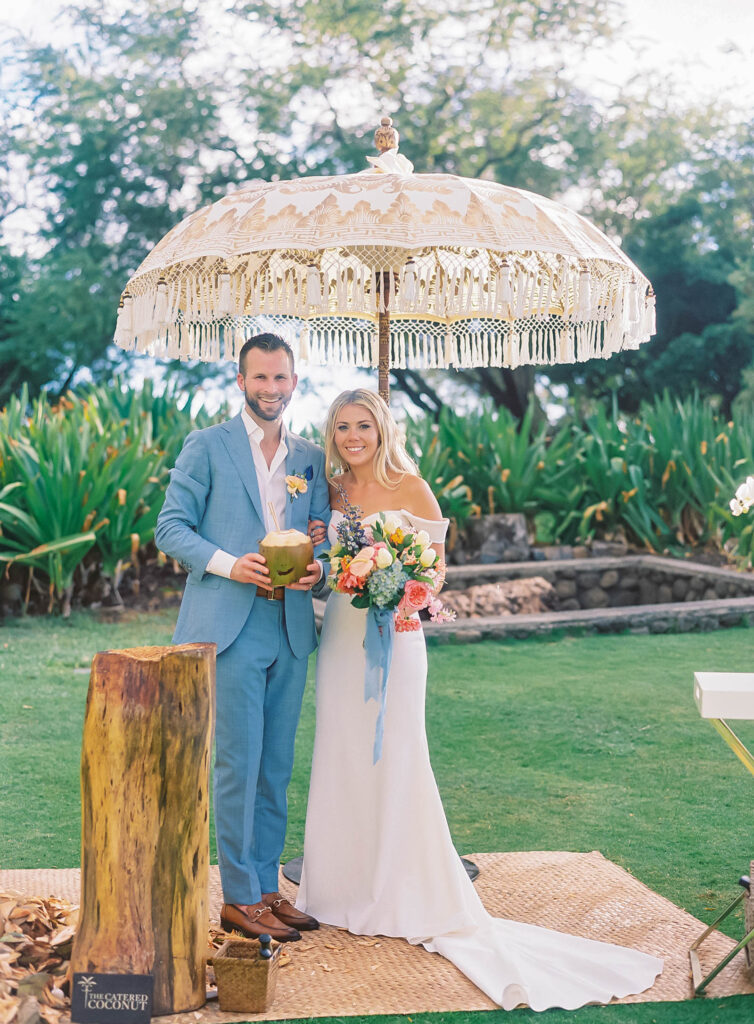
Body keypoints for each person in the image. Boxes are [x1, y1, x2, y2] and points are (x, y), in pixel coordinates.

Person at [297, 388, 663, 1011]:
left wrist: (396, 586)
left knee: (399, 754)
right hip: (340, 638)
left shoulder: (413, 489)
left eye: (362, 425)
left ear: (382, 429)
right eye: (341, 427)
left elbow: (435, 572)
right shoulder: (331, 494)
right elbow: (328, 564)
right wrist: (332, 564)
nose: (351, 437)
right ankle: (335, 888)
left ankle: (404, 886)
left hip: (399, 638)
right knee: (340, 753)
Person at [155, 333, 330, 943]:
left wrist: (321, 568)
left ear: (295, 383)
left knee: (275, 768)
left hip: (290, 630)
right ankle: (237, 899)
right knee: (237, 764)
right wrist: (232, 563)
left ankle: (265, 891)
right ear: (240, 381)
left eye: (281, 379)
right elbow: (170, 529)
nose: (271, 389)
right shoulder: (207, 447)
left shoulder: (311, 459)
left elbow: (324, 538)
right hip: (229, 628)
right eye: (260, 378)